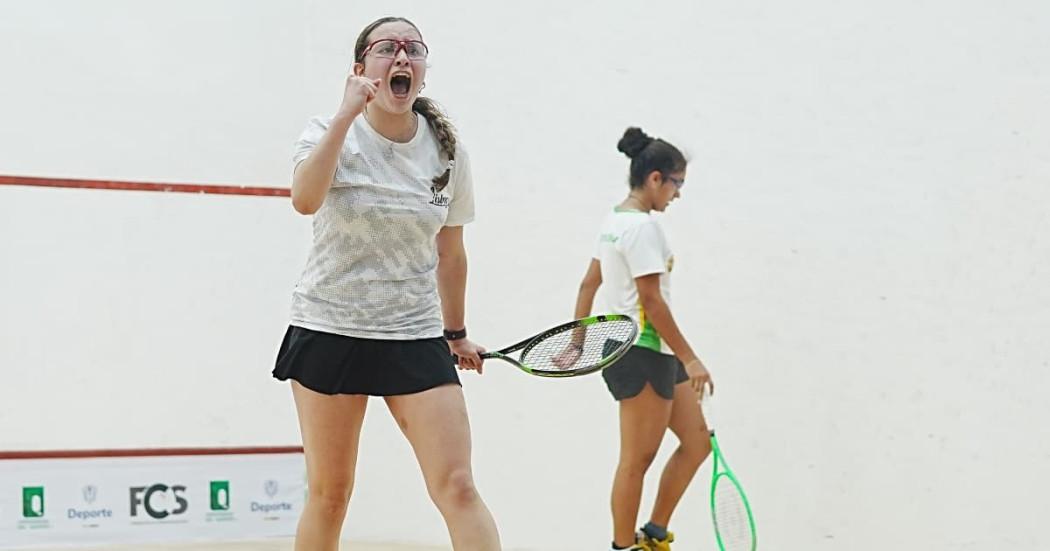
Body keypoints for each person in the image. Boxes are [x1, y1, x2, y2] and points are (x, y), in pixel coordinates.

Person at [272, 16, 501, 551]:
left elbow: (451, 252)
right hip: (331, 325)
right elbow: (304, 200)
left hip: (414, 332)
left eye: (413, 49)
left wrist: (456, 332)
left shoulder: (448, 153)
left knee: (458, 486)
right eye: (386, 48)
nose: (402, 56)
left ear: (421, 71)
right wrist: (346, 113)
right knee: (331, 494)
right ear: (361, 69)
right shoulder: (327, 131)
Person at [565, 127, 715, 550]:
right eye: (677, 183)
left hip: (653, 352)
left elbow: (586, 285)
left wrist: (578, 340)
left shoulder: (614, 222)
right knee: (637, 460)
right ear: (655, 178)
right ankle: (622, 547)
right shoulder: (641, 229)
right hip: (639, 352)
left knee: (697, 442)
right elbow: (651, 300)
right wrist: (693, 359)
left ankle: (652, 535)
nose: (678, 194)